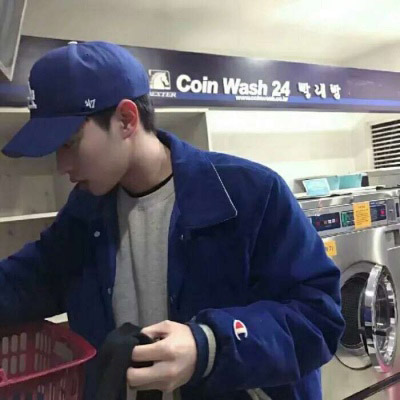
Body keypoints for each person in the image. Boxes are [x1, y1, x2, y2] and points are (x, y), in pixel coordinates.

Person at [0, 41, 344, 400]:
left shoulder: (250, 194)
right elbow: (28, 280)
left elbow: (318, 318)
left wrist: (209, 345)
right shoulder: (85, 211)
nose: (62, 165)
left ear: (126, 120)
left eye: (69, 143)